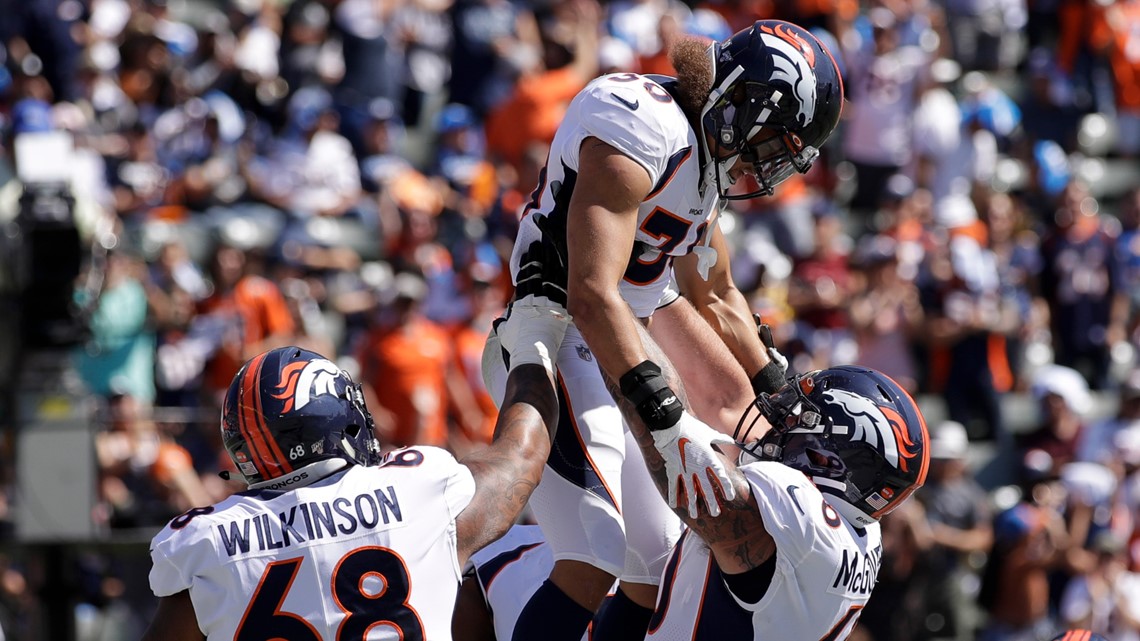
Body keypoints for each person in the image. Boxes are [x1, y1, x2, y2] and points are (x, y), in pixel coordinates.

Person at [489, 20, 845, 641]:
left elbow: (715, 291)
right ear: (744, 101)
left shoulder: (708, 157)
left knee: (656, 567)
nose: (772, 162)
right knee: (595, 553)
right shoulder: (641, 125)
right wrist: (667, 415)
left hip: (617, 346)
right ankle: (481, 577)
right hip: (549, 332)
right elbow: (594, 294)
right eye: (774, 142)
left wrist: (780, 388)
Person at [466, 319, 930, 639]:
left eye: (799, 426)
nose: (779, 426)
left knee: (583, 556)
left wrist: (604, 305)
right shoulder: (858, 528)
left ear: (832, 461)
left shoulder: (800, 522)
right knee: (643, 566)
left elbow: (677, 453)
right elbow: (714, 409)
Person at [141, 298, 567, 641]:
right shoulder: (418, 488)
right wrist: (536, 336)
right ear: (343, 420)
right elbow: (520, 458)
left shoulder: (204, 543)